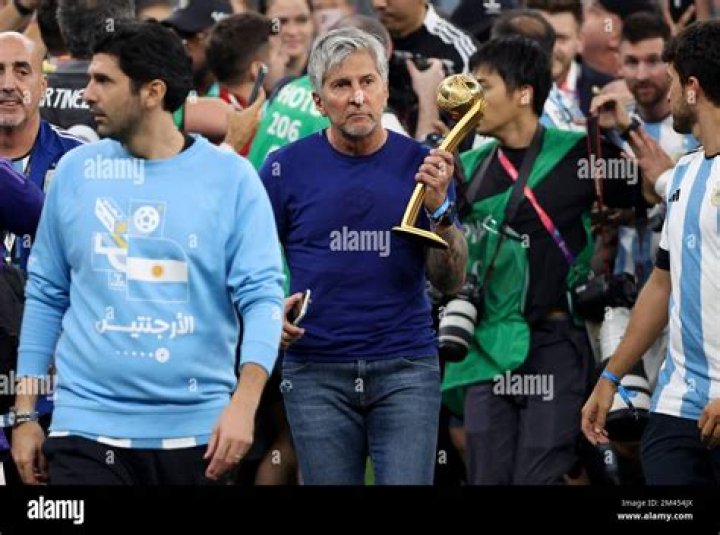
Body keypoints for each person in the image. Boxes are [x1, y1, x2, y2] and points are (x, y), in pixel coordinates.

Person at [10, 20, 285, 486]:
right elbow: (46, 294)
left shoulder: (232, 179)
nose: (87, 94)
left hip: (198, 438)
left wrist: (244, 404)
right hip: (84, 433)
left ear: (152, 92)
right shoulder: (75, 172)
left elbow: (262, 298)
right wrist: (25, 413)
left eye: (103, 81)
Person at [260, 27, 467, 485]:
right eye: (341, 85)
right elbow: (248, 261)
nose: (357, 97)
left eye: (367, 82)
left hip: (406, 366)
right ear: (319, 101)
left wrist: (441, 213)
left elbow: (451, 281)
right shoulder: (282, 169)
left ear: (385, 90)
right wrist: (269, 310)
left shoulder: (424, 166)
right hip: (315, 369)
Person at [442, 35, 644, 485]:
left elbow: (652, 193)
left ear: (523, 93)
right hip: (487, 344)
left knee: (540, 476)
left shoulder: (582, 154)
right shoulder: (467, 167)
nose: (470, 98)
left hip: (556, 341)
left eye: (483, 86)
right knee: (486, 477)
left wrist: (626, 128)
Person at [582, 20, 720, 486]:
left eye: (674, 81)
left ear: (693, 88)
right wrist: (612, 376)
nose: (670, 93)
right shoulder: (683, 175)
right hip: (677, 405)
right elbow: (662, 284)